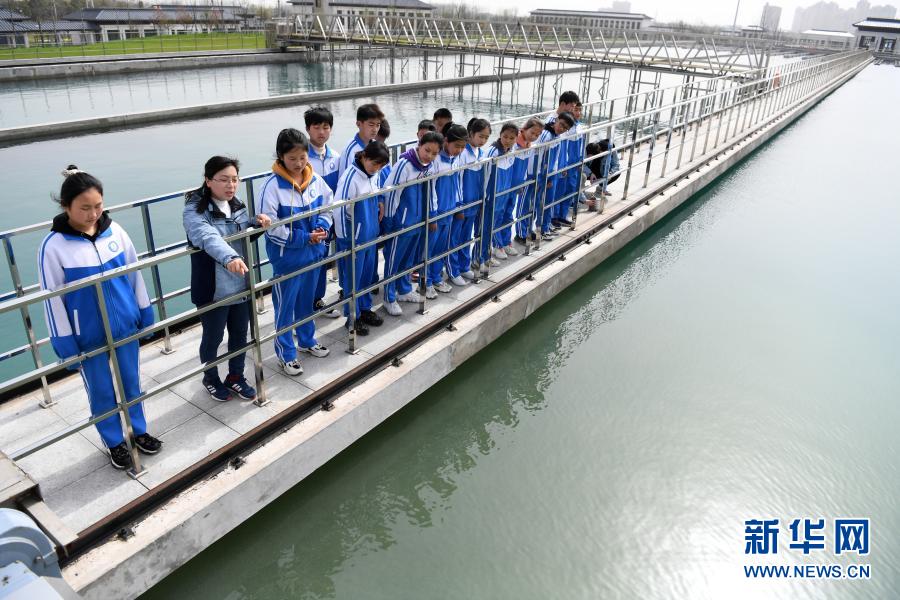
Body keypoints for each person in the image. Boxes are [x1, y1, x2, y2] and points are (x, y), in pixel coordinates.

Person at [39, 166, 162, 471]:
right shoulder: (53, 246)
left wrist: (144, 312)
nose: (93, 214)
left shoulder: (115, 232)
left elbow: (134, 274)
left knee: (131, 381)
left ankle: (138, 430)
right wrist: (65, 343)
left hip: (125, 325)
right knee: (101, 390)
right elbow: (51, 299)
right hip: (87, 334)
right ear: (66, 206)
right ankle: (113, 440)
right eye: (84, 208)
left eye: (98, 206)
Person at [183, 156, 271, 402]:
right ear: (208, 181)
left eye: (234, 179)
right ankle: (210, 378)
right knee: (213, 338)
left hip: (239, 283)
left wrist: (256, 224)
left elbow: (240, 235)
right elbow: (207, 237)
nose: (230, 185)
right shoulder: (194, 210)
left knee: (240, 334)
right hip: (213, 289)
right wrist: (229, 256)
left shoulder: (236, 204)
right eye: (223, 180)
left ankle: (235, 376)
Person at [257, 129, 333, 376]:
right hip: (287, 260)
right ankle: (285, 354)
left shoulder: (315, 180)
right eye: (292, 159)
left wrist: (322, 227)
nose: (299, 163)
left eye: (303, 157)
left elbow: (328, 206)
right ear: (281, 157)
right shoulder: (271, 187)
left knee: (306, 303)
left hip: (313, 255)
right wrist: (304, 238)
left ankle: (307, 340)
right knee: (285, 308)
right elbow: (271, 229)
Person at [381, 131, 443, 317]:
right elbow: (391, 193)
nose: (429, 156)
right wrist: (390, 222)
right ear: (419, 145)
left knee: (408, 259)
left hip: (418, 222)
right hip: (401, 223)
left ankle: (404, 289)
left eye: (434, 153)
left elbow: (431, 190)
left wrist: (432, 215)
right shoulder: (404, 165)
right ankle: (389, 297)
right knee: (394, 261)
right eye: (427, 150)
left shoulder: (430, 166)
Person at [333, 141, 390, 336]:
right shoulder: (350, 178)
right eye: (374, 163)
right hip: (354, 239)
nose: (377, 168)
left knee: (366, 276)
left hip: (369, 236)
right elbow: (339, 209)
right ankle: (352, 317)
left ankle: (365, 309)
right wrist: (347, 239)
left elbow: (377, 191)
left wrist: (380, 202)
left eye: (380, 166)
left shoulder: (374, 174)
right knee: (353, 280)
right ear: (364, 157)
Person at [304, 105, 342, 319]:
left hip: (327, 221)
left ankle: (316, 300)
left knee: (321, 260)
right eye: (316, 127)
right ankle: (302, 308)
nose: (321, 132)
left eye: (326, 127)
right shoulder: (302, 158)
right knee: (306, 265)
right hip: (307, 224)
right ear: (308, 129)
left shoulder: (335, 157)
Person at [425, 124, 468, 299]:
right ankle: (425, 282)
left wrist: (459, 205)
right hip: (437, 213)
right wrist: (432, 214)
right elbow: (431, 188)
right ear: (446, 141)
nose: (460, 150)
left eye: (463, 147)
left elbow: (458, 182)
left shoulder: (456, 159)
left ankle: (436, 277)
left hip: (450, 211)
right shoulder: (435, 160)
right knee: (429, 249)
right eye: (456, 146)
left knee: (441, 248)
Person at [448, 118, 491, 284]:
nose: (483, 140)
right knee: (455, 238)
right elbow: (458, 180)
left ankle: (464, 266)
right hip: (462, 203)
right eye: (480, 136)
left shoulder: (481, 153)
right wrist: (459, 205)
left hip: (474, 202)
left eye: (486, 137)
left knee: (466, 237)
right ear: (471, 134)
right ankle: (453, 270)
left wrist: (482, 197)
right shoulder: (463, 153)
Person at [480, 123, 518, 268]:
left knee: (500, 219)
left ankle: (497, 247)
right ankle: (486, 254)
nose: (508, 140)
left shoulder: (512, 150)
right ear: (500, 135)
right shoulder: (493, 152)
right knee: (489, 224)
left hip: (504, 193)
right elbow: (485, 175)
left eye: (511, 138)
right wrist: (485, 195)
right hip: (492, 194)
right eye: (505, 137)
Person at [535, 112, 575, 241]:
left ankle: (545, 228)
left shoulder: (558, 136)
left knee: (549, 202)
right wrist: (541, 177)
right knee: (539, 203)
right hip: (541, 174)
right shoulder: (545, 135)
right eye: (561, 124)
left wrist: (554, 174)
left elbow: (556, 157)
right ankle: (538, 230)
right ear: (556, 120)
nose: (562, 128)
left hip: (551, 174)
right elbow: (538, 156)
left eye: (565, 128)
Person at [512, 117, 545, 244]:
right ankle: (520, 233)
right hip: (520, 181)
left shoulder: (528, 144)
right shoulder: (515, 144)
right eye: (532, 133)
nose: (534, 136)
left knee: (530, 204)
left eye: (537, 135)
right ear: (525, 129)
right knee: (522, 206)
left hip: (527, 177)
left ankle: (527, 229)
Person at [553, 100, 584, 227]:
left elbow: (581, 145)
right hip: (566, 162)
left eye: (580, 110)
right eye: (575, 109)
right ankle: (555, 216)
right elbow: (563, 148)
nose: (578, 113)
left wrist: (581, 160)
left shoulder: (579, 126)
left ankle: (563, 215)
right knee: (560, 190)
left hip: (575, 163)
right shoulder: (566, 128)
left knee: (570, 189)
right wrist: (563, 164)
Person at [338, 103, 385, 177]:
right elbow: (344, 178)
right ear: (359, 124)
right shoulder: (350, 150)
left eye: (378, 125)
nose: (375, 129)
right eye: (371, 125)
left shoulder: (377, 146)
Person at [585, 139, 621, 210]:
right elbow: (583, 165)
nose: (600, 153)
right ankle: (581, 191)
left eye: (601, 152)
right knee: (581, 173)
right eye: (599, 152)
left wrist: (610, 174)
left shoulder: (612, 150)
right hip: (591, 170)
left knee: (616, 173)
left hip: (603, 171)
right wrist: (590, 173)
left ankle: (601, 188)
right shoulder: (593, 148)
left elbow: (616, 165)